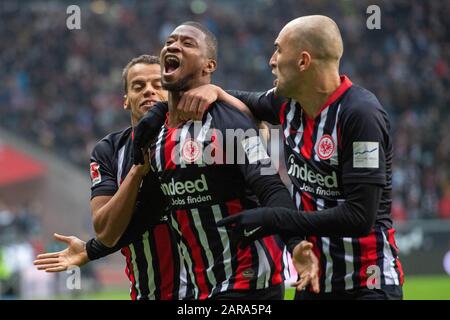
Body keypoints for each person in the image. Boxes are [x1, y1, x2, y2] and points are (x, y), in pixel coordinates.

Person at [178, 15, 404, 300]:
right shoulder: (286, 105)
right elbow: (246, 100)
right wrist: (215, 90)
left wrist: (276, 218)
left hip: (367, 283)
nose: (271, 60)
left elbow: (359, 217)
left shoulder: (361, 115)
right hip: (312, 281)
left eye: (278, 50)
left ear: (303, 61)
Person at [132, 21, 318, 299]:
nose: (173, 46)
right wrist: (93, 250)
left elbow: (269, 185)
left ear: (209, 66)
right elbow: (151, 209)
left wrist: (295, 243)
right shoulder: (156, 131)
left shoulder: (227, 122)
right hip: (202, 287)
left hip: (249, 279)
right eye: (170, 41)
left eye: (187, 43)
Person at [34, 55, 194, 300]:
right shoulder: (108, 150)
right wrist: (136, 171)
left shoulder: (196, 140)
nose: (149, 91)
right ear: (126, 101)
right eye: (138, 86)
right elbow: (105, 230)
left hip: (208, 294)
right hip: (148, 294)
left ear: (172, 93)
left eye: (158, 85)